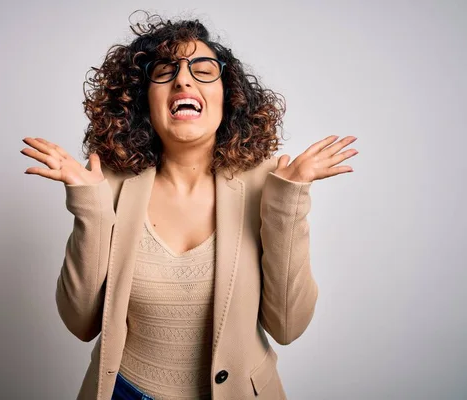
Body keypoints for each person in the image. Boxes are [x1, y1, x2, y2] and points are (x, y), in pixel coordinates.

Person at [21, 12, 358, 400]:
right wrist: (90, 209)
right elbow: (81, 323)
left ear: (227, 94)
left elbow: (288, 326)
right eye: (164, 71)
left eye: (203, 69)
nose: (183, 79)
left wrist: (290, 202)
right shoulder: (107, 183)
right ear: (144, 100)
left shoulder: (271, 184)